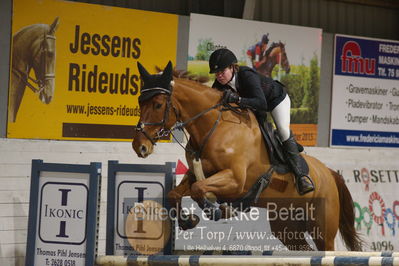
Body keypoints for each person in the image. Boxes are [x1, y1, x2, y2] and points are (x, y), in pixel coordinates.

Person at [209, 48, 314, 195]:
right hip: (255, 108)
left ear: (232, 67)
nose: (219, 76)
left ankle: (302, 175)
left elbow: (262, 104)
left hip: (275, 100)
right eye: (216, 73)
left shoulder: (246, 75)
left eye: (222, 72)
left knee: (283, 130)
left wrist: (238, 100)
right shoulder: (219, 84)